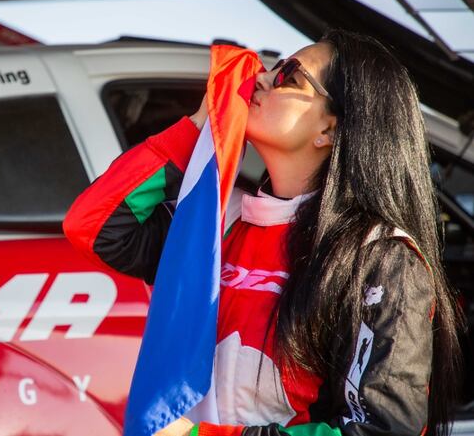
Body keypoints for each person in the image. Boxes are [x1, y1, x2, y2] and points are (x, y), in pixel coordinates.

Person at [62, 29, 463, 436]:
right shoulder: (218, 219)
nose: (263, 78)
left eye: (290, 75)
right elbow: (94, 225)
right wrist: (202, 125)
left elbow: (383, 430)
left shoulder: (379, 256)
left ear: (330, 128)